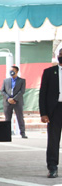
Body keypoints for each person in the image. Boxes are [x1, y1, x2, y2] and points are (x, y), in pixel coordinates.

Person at [40, 48, 62, 178]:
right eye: (60, 54)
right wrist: (43, 113)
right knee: (53, 141)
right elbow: (42, 94)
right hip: (55, 110)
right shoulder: (49, 72)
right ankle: (52, 167)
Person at [3, 66, 28, 139]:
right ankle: (7, 134)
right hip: (8, 102)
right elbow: (2, 91)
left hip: (18, 102)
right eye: (10, 70)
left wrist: (14, 99)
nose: (11, 72)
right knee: (7, 118)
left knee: (20, 118)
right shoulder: (6, 81)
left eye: (13, 70)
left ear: (17, 71)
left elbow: (22, 91)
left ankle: (22, 133)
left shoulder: (22, 80)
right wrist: (8, 98)